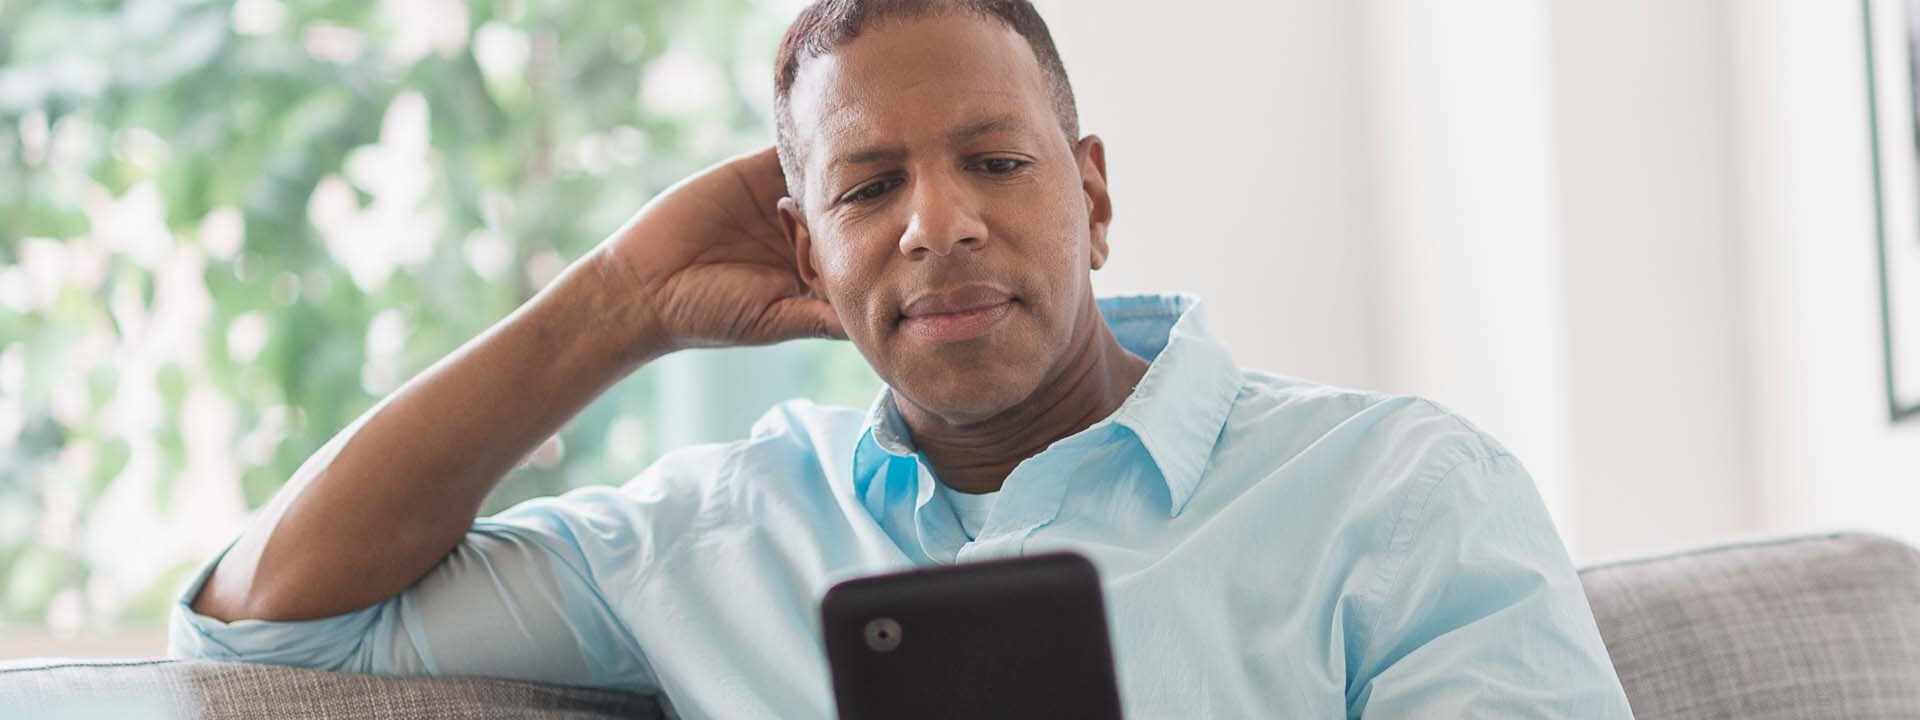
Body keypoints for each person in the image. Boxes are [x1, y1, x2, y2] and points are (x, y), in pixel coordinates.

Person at [171, 1, 1635, 716]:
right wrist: (617, 300)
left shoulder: (1396, 495)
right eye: (868, 192)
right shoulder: (717, 536)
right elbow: (269, 626)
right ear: (810, 255)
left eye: (996, 161)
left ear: (1096, 196)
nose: (937, 227)